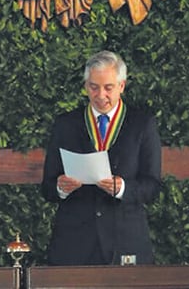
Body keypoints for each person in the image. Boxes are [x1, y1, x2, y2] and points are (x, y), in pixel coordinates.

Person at [40, 50, 162, 265]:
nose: (100, 95)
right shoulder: (66, 124)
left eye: (108, 88)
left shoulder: (142, 124)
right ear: (85, 86)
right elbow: (47, 187)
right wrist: (61, 187)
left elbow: (152, 186)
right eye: (94, 87)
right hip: (74, 242)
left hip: (125, 239)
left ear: (122, 86)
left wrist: (123, 188)